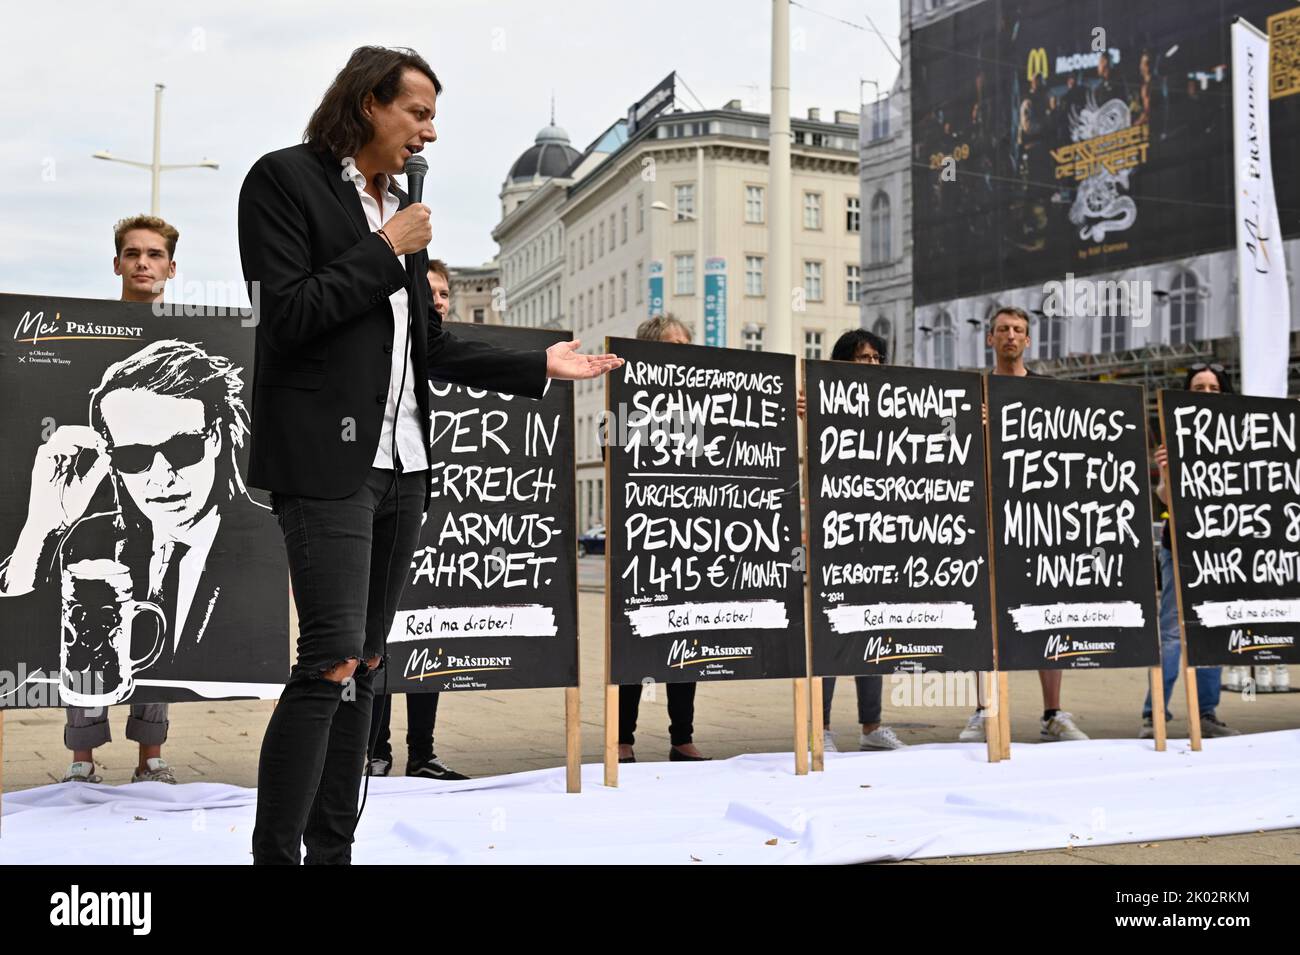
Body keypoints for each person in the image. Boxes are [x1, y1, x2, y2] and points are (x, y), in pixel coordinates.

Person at [238, 46, 620, 864]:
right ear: (369, 103)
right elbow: (289, 316)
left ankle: (330, 850)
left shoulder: (402, 207)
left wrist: (537, 364)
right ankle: (275, 857)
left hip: (404, 465)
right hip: (326, 462)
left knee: (369, 664)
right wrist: (385, 246)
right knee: (331, 657)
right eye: (418, 113)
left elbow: (430, 347)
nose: (430, 134)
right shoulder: (282, 181)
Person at [0, 215, 194, 785]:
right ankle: (81, 759)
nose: (143, 263)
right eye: (133, 253)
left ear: (171, 267)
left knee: (149, 610)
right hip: (91, 498)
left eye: (155, 254)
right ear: (117, 263)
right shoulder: (87, 332)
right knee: (83, 620)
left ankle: (149, 758)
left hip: (154, 503)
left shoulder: (190, 340)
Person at [961, 306, 1088, 743]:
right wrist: (970, 429)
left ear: (1028, 340)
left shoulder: (1046, 392)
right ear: (989, 339)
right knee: (986, 618)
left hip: (1039, 520)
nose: (1010, 336)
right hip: (988, 518)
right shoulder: (972, 391)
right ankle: (984, 711)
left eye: (1018, 330)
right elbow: (950, 450)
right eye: (1002, 330)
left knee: (1048, 613)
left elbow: (1066, 449)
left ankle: (1053, 712)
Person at [368, 258, 466, 781]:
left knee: (431, 638)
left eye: (444, 294)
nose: (437, 301)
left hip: (449, 532)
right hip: (392, 507)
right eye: (427, 292)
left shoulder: (461, 356)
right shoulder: (390, 352)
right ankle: (374, 749)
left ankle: (422, 753)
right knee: (377, 640)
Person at [795, 329, 906, 752]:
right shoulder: (824, 405)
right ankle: (819, 726)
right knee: (831, 629)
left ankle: (871, 725)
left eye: (878, 359)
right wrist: (808, 415)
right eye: (863, 359)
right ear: (842, 363)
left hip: (879, 533)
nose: (873, 366)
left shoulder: (893, 407)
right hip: (835, 534)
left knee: (872, 624)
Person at [617, 314, 710, 764]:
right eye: (676, 346)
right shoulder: (627, 403)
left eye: (688, 345)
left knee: (685, 643)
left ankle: (682, 736)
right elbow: (611, 452)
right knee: (634, 648)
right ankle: (622, 737)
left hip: (689, 541)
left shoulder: (706, 407)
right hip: (641, 543)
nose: (684, 353)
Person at [1142, 363, 1239, 738]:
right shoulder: (1173, 436)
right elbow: (1164, 496)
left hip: (1221, 545)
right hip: (1179, 543)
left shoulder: (1237, 438)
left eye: (1213, 388)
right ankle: (1154, 715)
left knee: (1213, 628)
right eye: (1198, 388)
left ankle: (1207, 714)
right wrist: (1164, 471)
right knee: (1170, 631)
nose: (1206, 394)